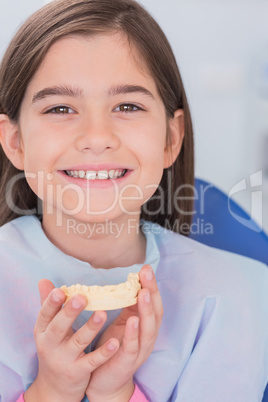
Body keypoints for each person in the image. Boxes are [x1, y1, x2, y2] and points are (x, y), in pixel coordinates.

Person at [0, 0, 267, 401]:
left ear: (170, 138)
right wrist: (50, 392)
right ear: (15, 142)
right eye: (59, 108)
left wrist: (116, 393)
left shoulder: (239, 298)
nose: (96, 135)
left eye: (127, 106)